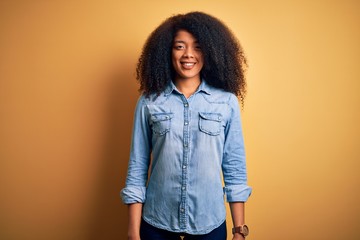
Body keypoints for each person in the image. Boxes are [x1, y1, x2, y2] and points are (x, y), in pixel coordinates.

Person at [121, 11, 252, 240]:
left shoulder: (226, 102)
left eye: (197, 47)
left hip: (209, 222)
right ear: (167, 51)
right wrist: (133, 233)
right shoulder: (149, 101)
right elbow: (137, 167)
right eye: (179, 46)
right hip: (156, 221)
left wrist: (239, 231)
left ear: (210, 51)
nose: (188, 54)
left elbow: (235, 168)